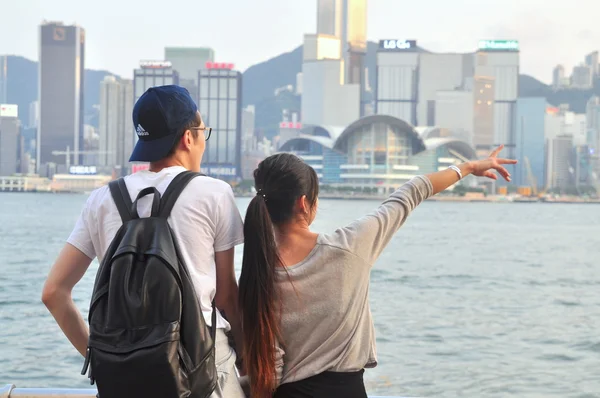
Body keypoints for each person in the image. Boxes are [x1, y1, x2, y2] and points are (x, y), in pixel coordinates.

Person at [238, 146, 517, 397]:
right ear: (303, 203)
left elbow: (269, 368)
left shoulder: (257, 274)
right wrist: (467, 167)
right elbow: (412, 191)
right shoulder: (348, 247)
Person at [42, 85, 246, 397]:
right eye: (203, 130)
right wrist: (247, 362)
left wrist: (101, 360)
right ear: (188, 137)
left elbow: (54, 293)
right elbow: (226, 298)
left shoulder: (101, 200)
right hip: (203, 372)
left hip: (126, 380)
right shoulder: (214, 193)